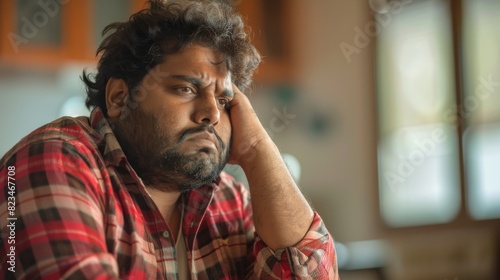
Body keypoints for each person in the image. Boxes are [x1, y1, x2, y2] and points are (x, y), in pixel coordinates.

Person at [0, 0, 339, 279]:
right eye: (186, 88)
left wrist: (256, 150)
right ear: (120, 98)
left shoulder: (228, 200)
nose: (213, 114)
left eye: (224, 100)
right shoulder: (54, 160)